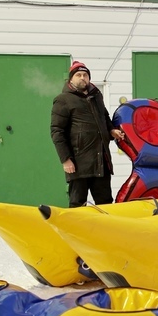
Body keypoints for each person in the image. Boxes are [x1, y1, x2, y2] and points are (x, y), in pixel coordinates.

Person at [51, 60, 125, 207]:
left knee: (105, 203)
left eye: (85, 74)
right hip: (78, 163)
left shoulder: (96, 96)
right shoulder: (63, 100)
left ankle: (104, 230)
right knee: (77, 204)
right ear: (71, 79)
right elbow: (57, 131)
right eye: (78, 75)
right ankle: (75, 230)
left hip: (101, 161)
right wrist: (65, 159)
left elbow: (104, 117)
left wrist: (111, 130)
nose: (82, 77)